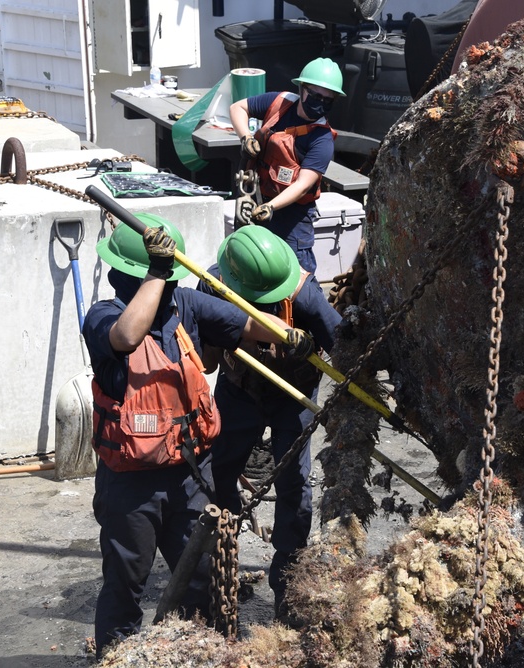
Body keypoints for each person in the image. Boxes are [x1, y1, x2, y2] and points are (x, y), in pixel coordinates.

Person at [82, 214, 312, 658]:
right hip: (132, 487)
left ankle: (198, 654)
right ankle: (116, 657)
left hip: (189, 476)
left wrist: (287, 334)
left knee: (204, 577)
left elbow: (245, 323)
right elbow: (127, 336)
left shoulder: (184, 306)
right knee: (126, 583)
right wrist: (157, 271)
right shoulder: (103, 317)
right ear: (139, 274)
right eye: (161, 276)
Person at [200, 225, 343, 620]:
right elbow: (207, 361)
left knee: (295, 485)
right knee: (217, 474)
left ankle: (287, 583)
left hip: (292, 397)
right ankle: (220, 567)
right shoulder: (215, 285)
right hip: (238, 390)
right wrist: (222, 333)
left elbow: (346, 352)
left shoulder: (306, 294)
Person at [229, 57, 346, 274]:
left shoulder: (322, 140)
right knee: (248, 264)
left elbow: (302, 185)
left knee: (295, 274)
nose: (320, 103)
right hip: (254, 196)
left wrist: (270, 207)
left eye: (327, 100)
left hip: (292, 216)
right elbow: (237, 108)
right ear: (302, 90)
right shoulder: (279, 103)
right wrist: (246, 137)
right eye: (315, 96)